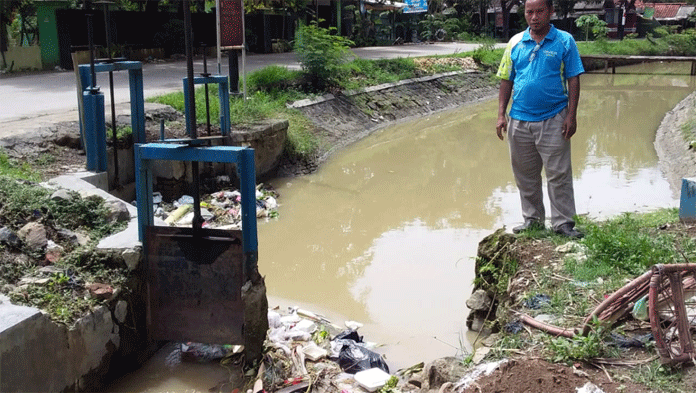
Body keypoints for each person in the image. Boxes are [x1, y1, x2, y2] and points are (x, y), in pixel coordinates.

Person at [495, 0, 585, 239]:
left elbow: (574, 78)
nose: (534, 17)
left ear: (550, 12)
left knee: (559, 174)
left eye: (539, 11)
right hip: (519, 120)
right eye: (529, 12)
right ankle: (533, 220)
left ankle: (563, 223)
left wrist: (571, 115)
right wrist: (500, 114)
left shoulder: (565, 41)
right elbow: (506, 79)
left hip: (554, 118)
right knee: (525, 175)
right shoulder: (515, 43)